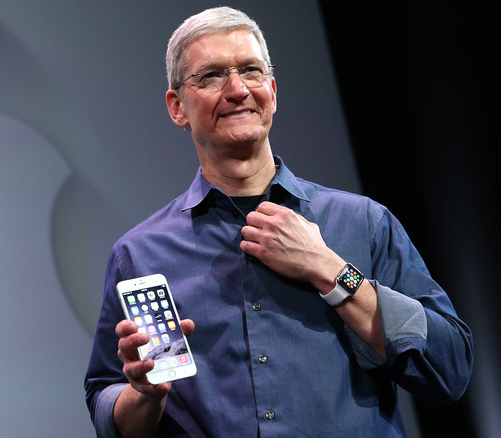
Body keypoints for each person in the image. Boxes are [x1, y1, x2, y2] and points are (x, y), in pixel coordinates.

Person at [84, 6, 473, 438]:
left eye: (250, 70)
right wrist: (146, 394)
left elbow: (449, 370)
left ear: (271, 90)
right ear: (178, 107)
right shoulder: (140, 253)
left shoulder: (363, 222)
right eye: (211, 76)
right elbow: (110, 405)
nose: (237, 89)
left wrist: (329, 269)